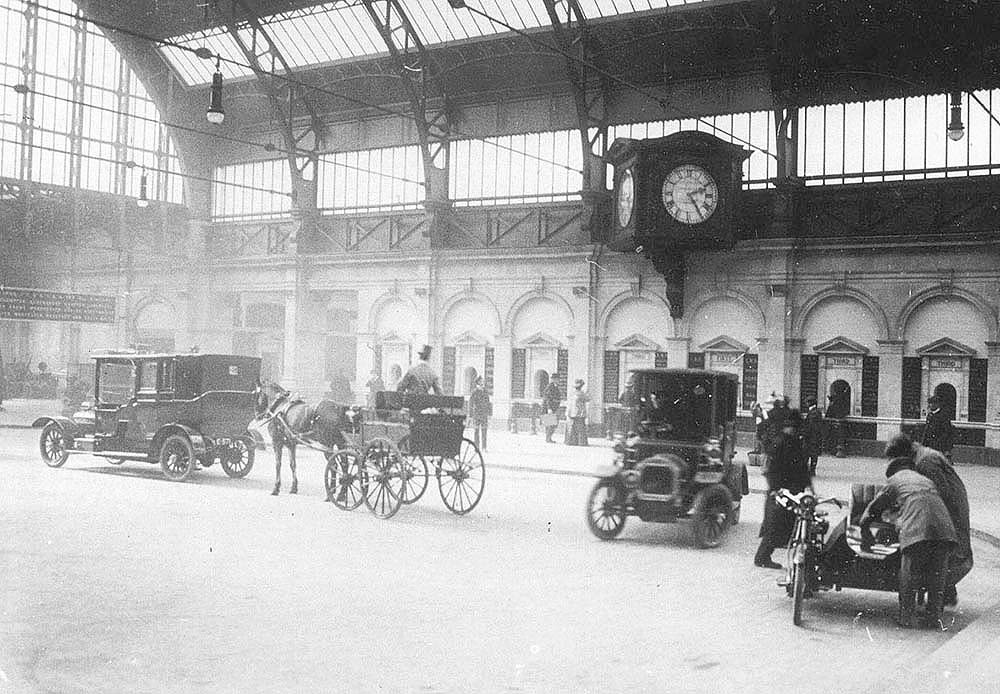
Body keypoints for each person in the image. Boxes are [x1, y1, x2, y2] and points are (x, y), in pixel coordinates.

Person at [860, 454, 957, 628]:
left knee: (909, 575)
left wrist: (864, 527)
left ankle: (906, 617)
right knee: (937, 576)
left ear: (893, 471)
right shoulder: (926, 481)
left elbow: (874, 507)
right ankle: (933, 618)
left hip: (917, 528)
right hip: (944, 529)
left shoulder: (895, 480)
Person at [885, 434, 972, 607]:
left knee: (944, 551)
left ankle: (942, 596)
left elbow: (940, 492)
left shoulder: (925, 462)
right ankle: (944, 595)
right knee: (944, 553)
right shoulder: (922, 454)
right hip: (950, 507)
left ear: (903, 455)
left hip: (950, 510)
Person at [754, 408, 812, 570]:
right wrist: (775, 489)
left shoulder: (793, 442)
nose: (794, 430)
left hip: (792, 491)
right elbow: (771, 469)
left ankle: (773, 557)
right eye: (793, 427)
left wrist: (808, 486)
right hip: (781, 492)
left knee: (786, 525)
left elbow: (802, 467)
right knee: (775, 527)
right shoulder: (781, 443)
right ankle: (762, 557)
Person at [802, 396, 823, 475]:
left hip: (810, 438)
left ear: (810, 403)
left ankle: (808, 471)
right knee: (814, 455)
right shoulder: (817, 412)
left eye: (807, 402)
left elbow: (810, 426)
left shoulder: (813, 413)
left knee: (806, 454)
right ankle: (811, 470)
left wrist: (804, 434)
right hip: (815, 437)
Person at [566, 378, 590, 446]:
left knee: (573, 427)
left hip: (572, 412)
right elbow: (588, 399)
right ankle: (581, 442)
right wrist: (587, 392)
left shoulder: (572, 393)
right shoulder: (581, 393)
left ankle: (572, 441)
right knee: (581, 428)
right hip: (580, 413)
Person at [541, 373, 562, 443]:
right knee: (551, 424)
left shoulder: (555, 386)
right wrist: (549, 408)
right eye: (558, 379)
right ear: (554, 380)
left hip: (553, 407)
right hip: (549, 408)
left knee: (551, 423)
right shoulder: (550, 387)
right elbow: (547, 398)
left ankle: (548, 438)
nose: (559, 380)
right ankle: (548, 438)